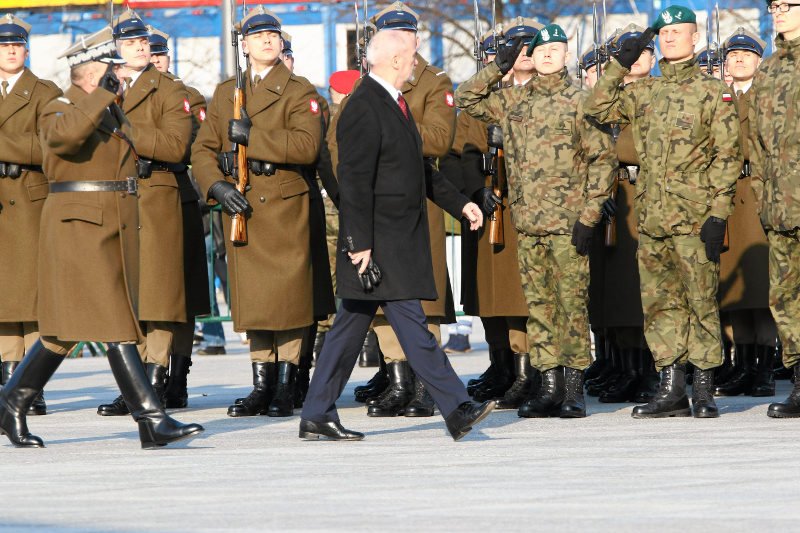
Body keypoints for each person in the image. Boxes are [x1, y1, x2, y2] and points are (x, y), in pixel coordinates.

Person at [0, 27, 203, 448]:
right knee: (116, 323)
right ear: (89, 73)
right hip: (79, 228)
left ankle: (11, 402)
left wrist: (108, 102)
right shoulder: (59, 106)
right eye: (110, 69)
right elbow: (63, 138)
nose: (119, 75)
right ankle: (151, 419)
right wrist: (101, 97)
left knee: (63, 331)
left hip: (111, 226)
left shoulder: (108, 110)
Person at [299, 29, 494, 442]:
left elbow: (418, 170)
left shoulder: (394, 102)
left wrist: (460, 204)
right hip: (379, 242)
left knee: (348, 330)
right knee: (411, 324)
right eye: (410, 55)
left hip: (392, 238)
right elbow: (354, 179)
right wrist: (360, 244)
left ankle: (316, 412)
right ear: (392, 60)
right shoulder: (364, 105)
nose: (415, 62)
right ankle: (457, 407)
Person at [584, 5, 741, 418]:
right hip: (652, 218)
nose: (669, 38)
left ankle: (703, 388)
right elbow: (595, 107)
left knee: (700, 300)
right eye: (663, 34)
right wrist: (619, 64)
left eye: (677, 32)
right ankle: (670, 387)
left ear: (694, 38)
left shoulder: (713, 92)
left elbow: (727, 155)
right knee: (658, 305)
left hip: (695, 217)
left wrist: (718, 213)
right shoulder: (643, 91)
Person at [457, 23, 617, 419]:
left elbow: (603, 161)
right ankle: (548, 386)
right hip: (528, 223)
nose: (546, 55)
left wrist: (590, 215)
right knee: (540, 307)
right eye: (539, 50)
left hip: (569, 223)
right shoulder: (513, 100)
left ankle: (574, 389)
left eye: (554, 49)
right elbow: (466, 97)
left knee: (571, 305)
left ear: (566, 55)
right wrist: (498, 67)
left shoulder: (582, 101)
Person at [192, 6, 322, 418]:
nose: (267, 40)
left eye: (273, 35)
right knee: (255, 302)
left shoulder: (299, 89)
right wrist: (216, 186)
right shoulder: (226, 92)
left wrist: (255, 136)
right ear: (244, 46)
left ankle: (285, 385)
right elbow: (203, 149)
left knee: (288, 300)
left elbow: (307, 147)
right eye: (258, 36)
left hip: (283, 206)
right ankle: (261, 385)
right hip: (241, 204)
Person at [96, 10, 207, 416]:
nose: (140, 48)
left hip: (157, 194)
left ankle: (155, 381)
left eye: (143, 42)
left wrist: (124, 130)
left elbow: (176, 146)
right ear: (116, 49)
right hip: (115, 198)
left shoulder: (168, 89)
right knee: (128, 294)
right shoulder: (104, 87)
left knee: (160, 295)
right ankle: (133, 383)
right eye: (130, 43)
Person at [451, 27, 535, 411]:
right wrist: (475, 188)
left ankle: (526, 370)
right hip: (489, 205)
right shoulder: (481, 102)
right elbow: (463, 152)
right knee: (489, 294)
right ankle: (501, 365)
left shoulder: (541, 96)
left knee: (517, 295)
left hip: (526, 204)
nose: (522, 55)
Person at [146, 24, 212, 408]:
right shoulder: (124, 96)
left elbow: (195, 146)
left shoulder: (189, 97)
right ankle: (140, 380)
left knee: (182, 295)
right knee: (140, 293)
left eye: (160, 54)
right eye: (149, 53)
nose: (155, 60)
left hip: (178, 194)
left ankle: (177, 378)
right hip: (136, 198)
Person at [0, 15, 62, 416]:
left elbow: (52, 146)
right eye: (4, 46)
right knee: (4, 299)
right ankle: (9, 377)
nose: (10, 51)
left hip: (29, 203)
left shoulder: (45, 91)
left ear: (26, 50)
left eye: (17, 45)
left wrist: (7, 149)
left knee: (34, 297)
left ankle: (30, 384)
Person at [716, 27, 776, 398]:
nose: (738, 60)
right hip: (725, 198)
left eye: (746, 55)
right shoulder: (719, 99)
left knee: (761, 289)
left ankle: (765, 368)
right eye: (733, 55)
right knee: (734, 290)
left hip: (757, 195)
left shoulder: (766, 96)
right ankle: (742, 365)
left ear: (758, 61)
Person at [749, 0, 800, 417]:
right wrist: (763, 194)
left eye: (787, 4)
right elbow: (756, 141)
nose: (777, 11)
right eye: (773, 5)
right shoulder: (768, 69)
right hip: (780, 206)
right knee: (785, 299)